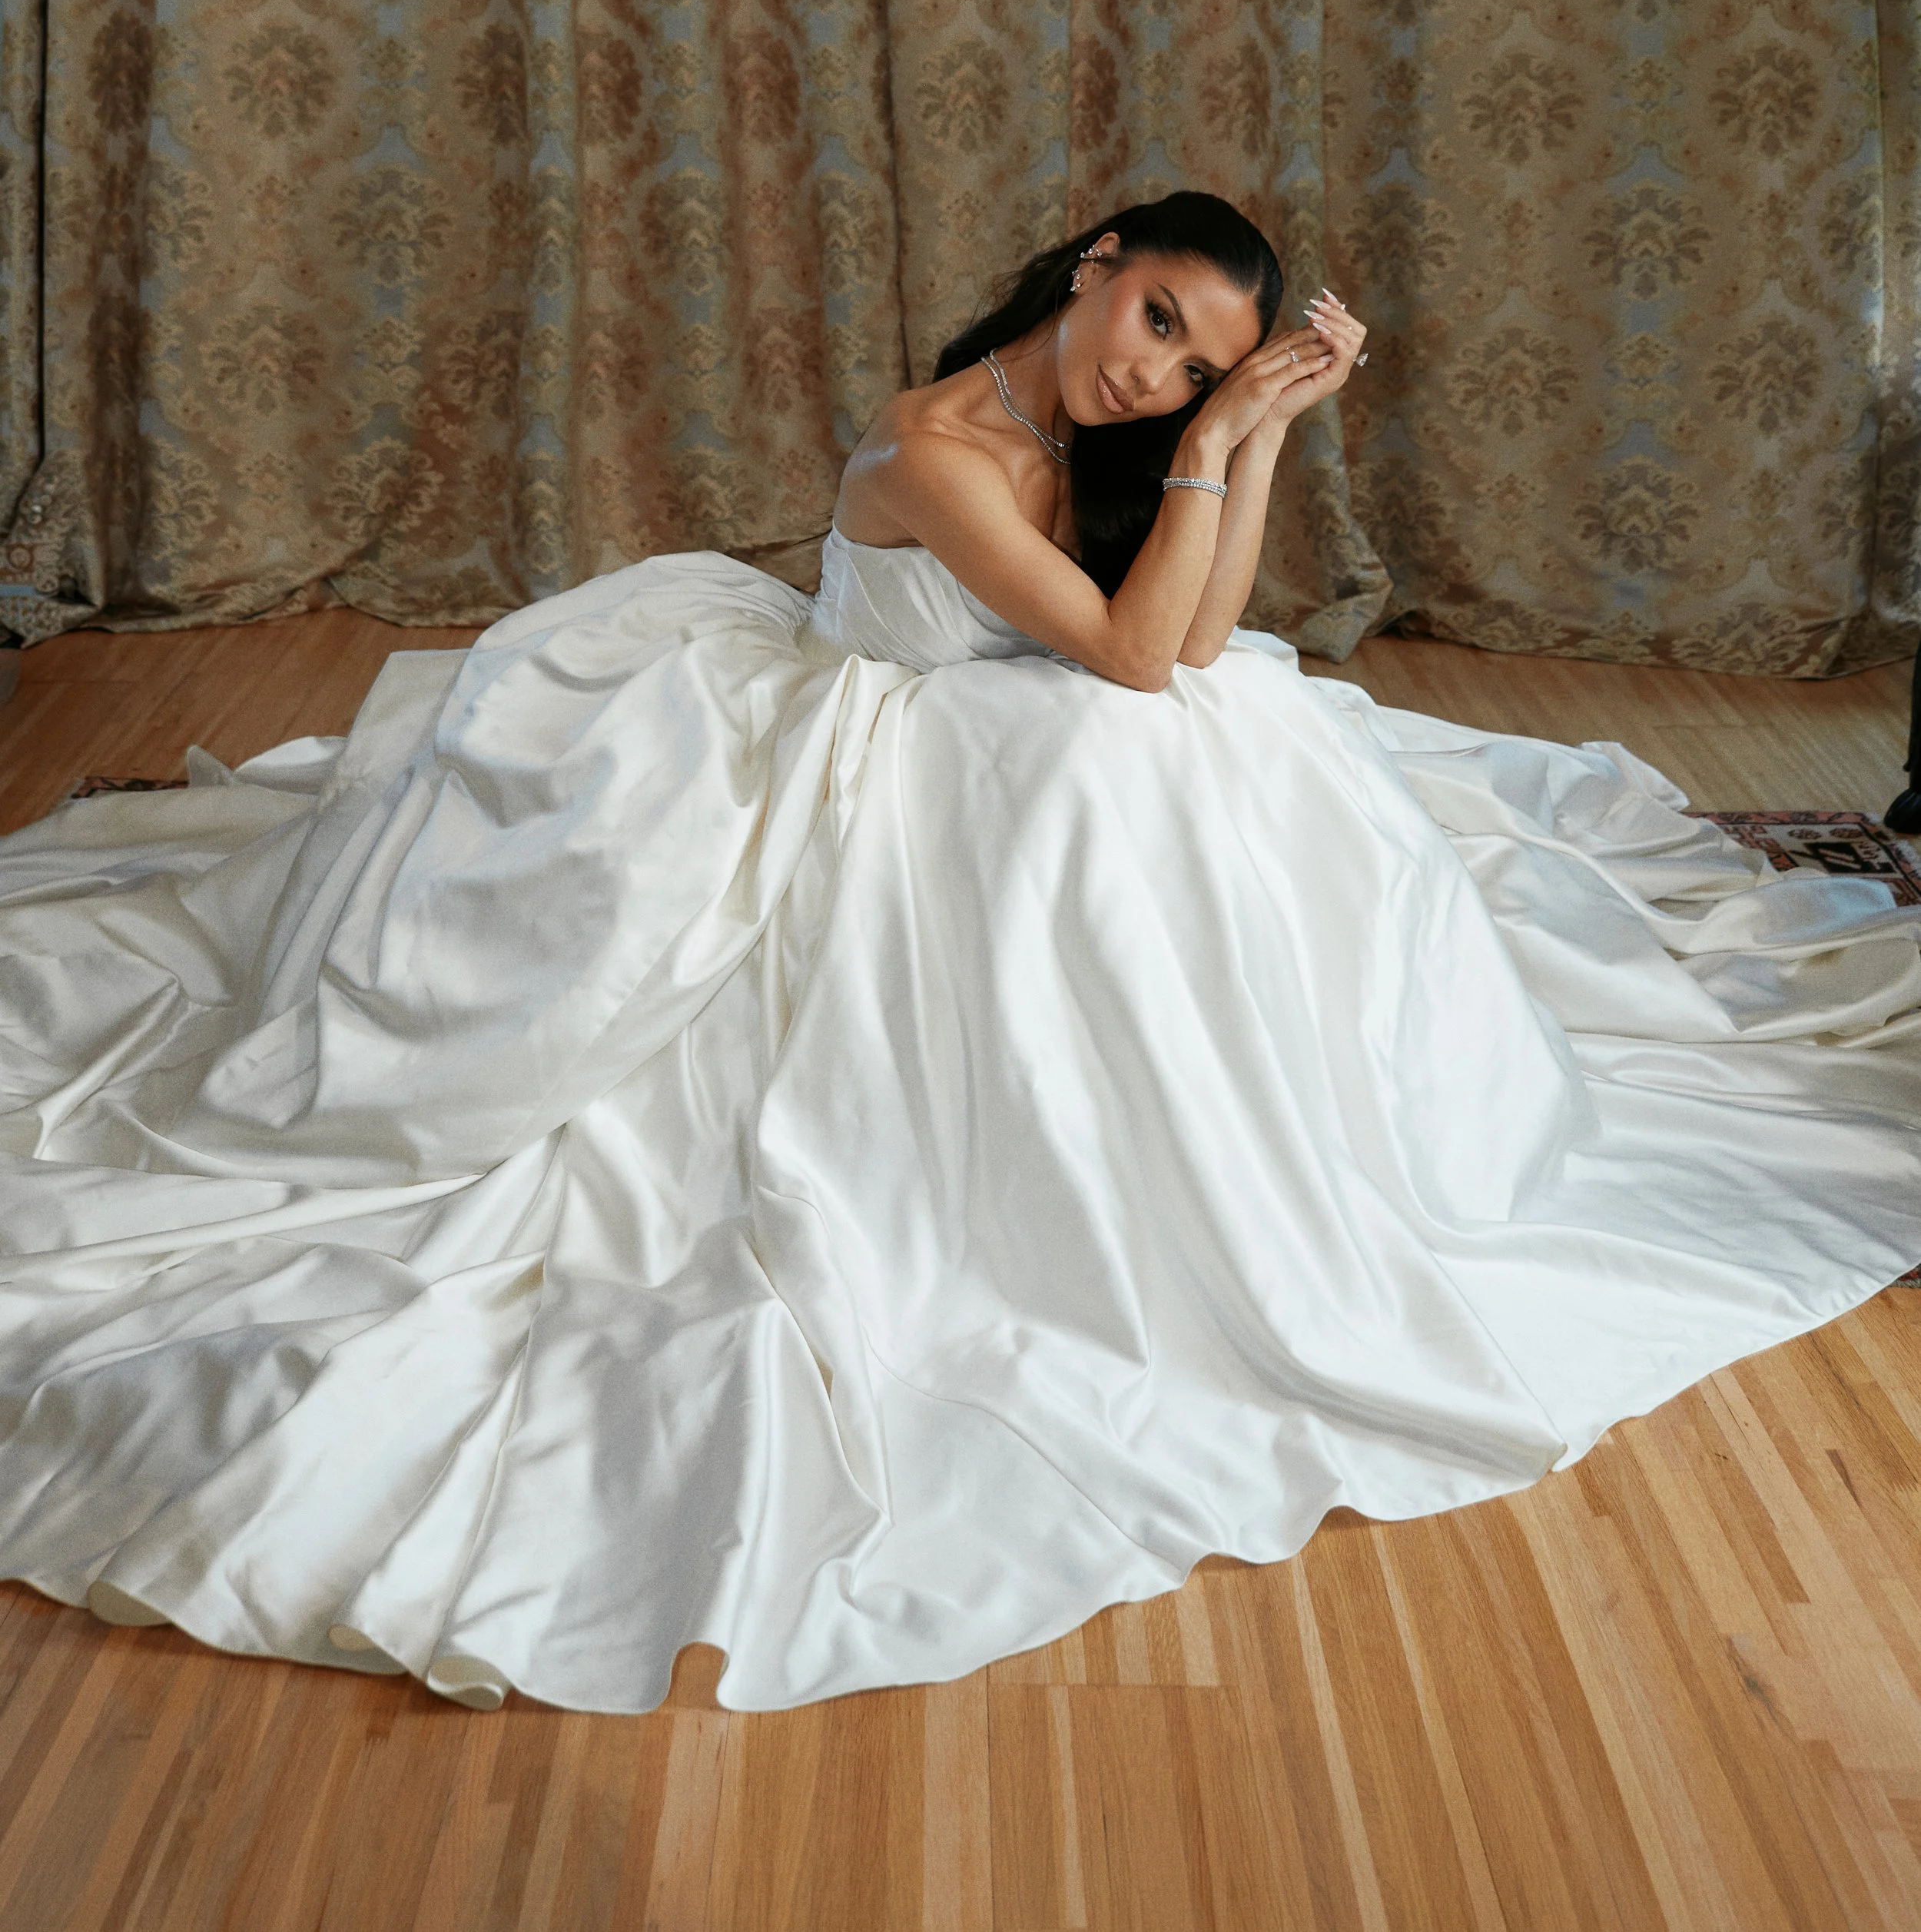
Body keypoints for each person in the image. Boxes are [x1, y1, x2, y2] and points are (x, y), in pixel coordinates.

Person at [0, 189, 1914, 1718]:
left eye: (1193, 366)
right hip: (856, 747)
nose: (1150, 376)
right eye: (1154, 321)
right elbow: (1127, 656)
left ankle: (1289, 1138)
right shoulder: (934, 447)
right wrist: (1224, 428)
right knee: (1129, 766)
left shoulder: (1118, 434)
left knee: (1246, 730)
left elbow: (1193, 637)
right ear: (1094, 263)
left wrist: (1251, 442)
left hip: (1009, 728)